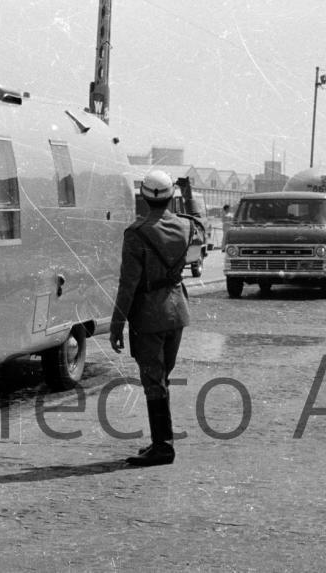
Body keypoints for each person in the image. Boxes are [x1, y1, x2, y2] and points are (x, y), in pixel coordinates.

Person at [110, 170, 203, 467]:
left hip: (149, 314)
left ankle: (162, 446)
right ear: (172, 195)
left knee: (153, 380)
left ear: (143, 196)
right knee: (162, 379)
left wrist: (117, 324)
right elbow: (196, 251)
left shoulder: (137, 234)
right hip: (177, 309)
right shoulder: (187, 227)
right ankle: (161, 441)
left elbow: (128, 285)